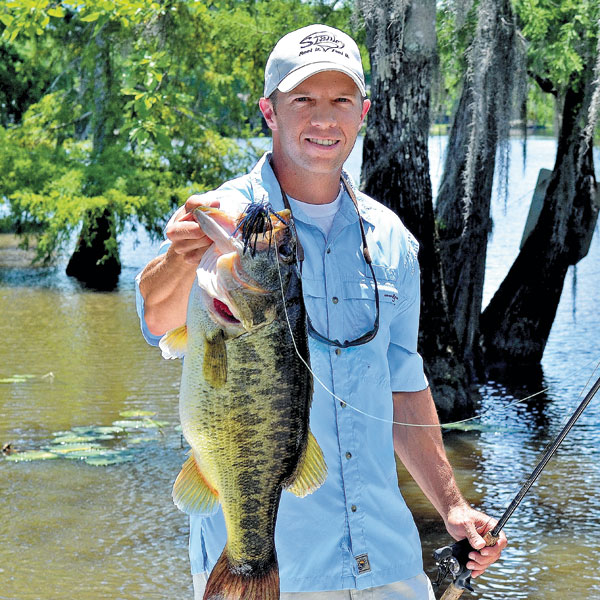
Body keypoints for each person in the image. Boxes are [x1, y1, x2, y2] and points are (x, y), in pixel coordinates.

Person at [135, 23, 507, 599]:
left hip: (386, 560)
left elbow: (403, 384)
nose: (324, 119)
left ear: (363, 113)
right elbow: (156, 318)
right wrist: (180, 257)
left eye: (341, 101)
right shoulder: (227, 217)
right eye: (303, 99)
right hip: (279, 562)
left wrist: (453, 505)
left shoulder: (390, 238)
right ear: (269, 111)